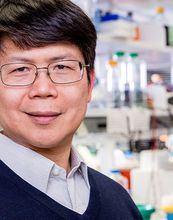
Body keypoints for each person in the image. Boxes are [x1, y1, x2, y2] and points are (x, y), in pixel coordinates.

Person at [0, 0, 142, 219]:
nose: (43, 89)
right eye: (20, 69)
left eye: (62, 67)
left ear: (89, 84)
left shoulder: (118, 199)